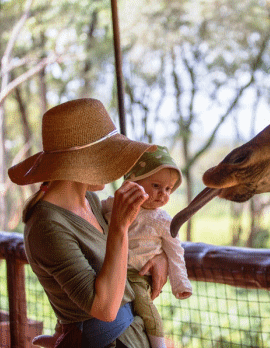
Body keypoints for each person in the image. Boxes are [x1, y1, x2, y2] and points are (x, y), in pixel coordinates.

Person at [8, 98, 169, 348]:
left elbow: (113, 262)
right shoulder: (47, 224)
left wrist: (160, 257)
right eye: (108, 155)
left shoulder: (90, 200)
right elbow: (104, 309)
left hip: (132, 334)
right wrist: (119, 227)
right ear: (84, 159)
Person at [102, 146, 192, 348]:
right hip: (114, 269)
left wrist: (181, 284)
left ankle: (158, 343)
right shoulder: (115, 203)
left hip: (140, 274)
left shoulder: (162, 219)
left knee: (143, 303)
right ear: (133, 182)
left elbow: (175, 252)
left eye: (168, 189)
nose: (163, 194)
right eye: (157, 185)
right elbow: (98, 212)